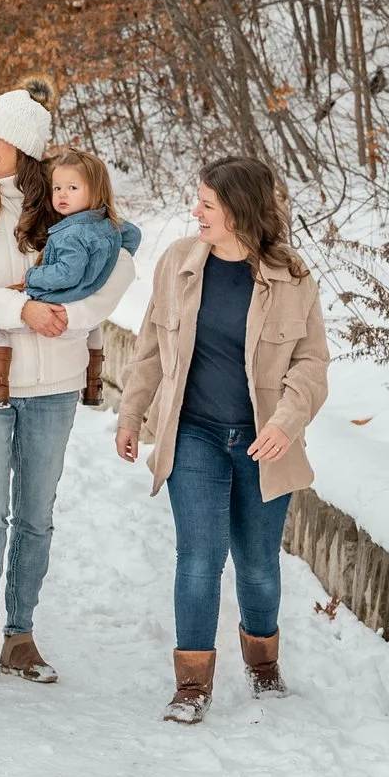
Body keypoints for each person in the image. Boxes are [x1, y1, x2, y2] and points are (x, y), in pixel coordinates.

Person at [0, 81, 137, 684]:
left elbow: (118, 266)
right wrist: (20, 310)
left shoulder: (68, 197)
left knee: (36, 513)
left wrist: (72, 317)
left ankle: (21, 635)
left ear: (24, 143)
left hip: (53, 379)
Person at [114, 155, 330, 722]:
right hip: (194, 436)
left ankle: (263, 665)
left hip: (264, 443)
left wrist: (286, 421)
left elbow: (311, 364)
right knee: (199, 557)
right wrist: (131, 416)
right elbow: (151, 349)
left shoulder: (292, 277)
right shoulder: (179, 264)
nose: (196, 211)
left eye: (207, 203)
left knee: (257, 564)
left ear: (238, 211)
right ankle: (191, 686)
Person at [0, 145, 142, 408]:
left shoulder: (71, 233)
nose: (62, 195)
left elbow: (66, 273)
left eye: (73, 188)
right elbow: (133, 235)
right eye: (57, 188)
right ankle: (93, 382)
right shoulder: (108, 224)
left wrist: (35, 276)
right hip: (82, 302)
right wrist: (109, 257)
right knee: (94, 328)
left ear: (96, 191)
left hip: (53, 300)